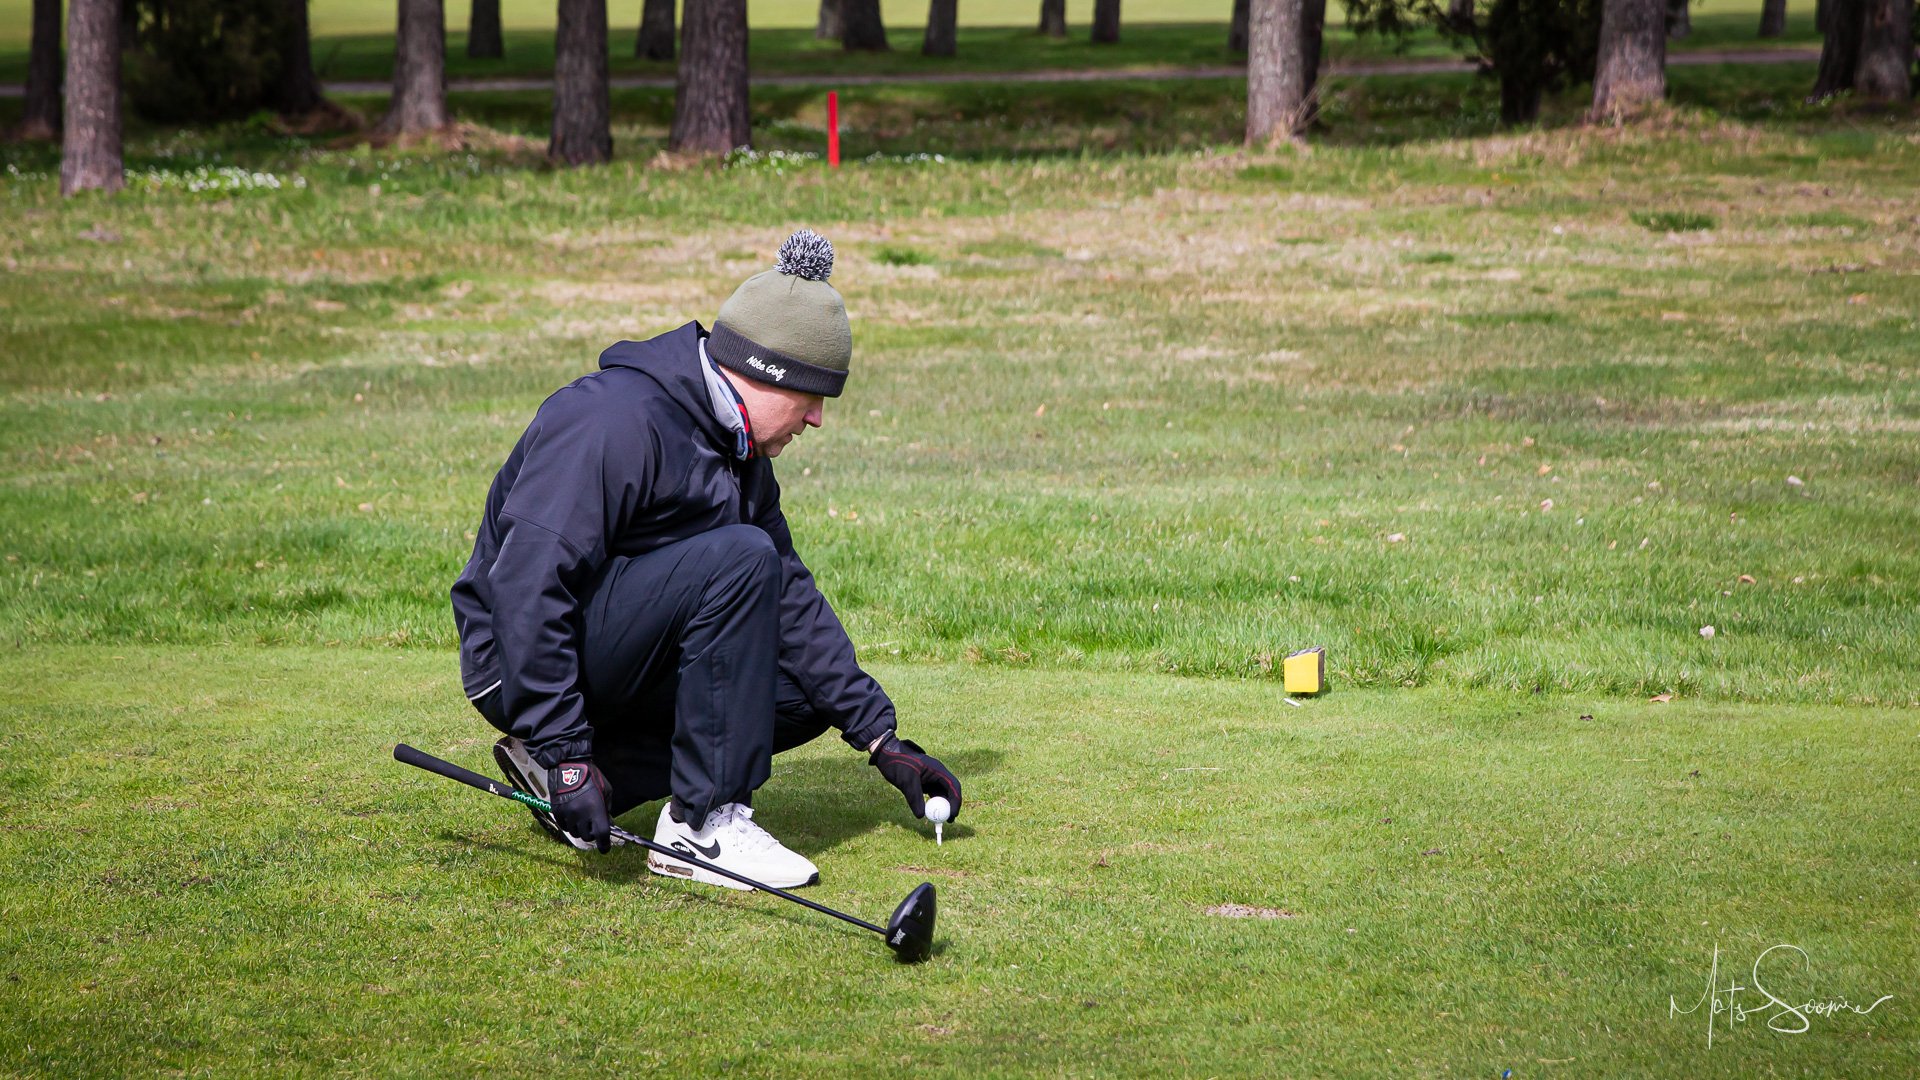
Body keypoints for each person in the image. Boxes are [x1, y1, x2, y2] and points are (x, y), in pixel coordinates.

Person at [449, 230, 961, 890]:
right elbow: (525, 585)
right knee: (741, 557)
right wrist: (563, 743)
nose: (816, 421)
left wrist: (880, 738)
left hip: (606, 651)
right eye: (812, 397)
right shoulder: (614, 421)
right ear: (768, 372)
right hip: (515, 658)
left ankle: (595, 774)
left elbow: (789, 598)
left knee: (804, 689)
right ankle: (700, 828)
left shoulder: (738, 452)